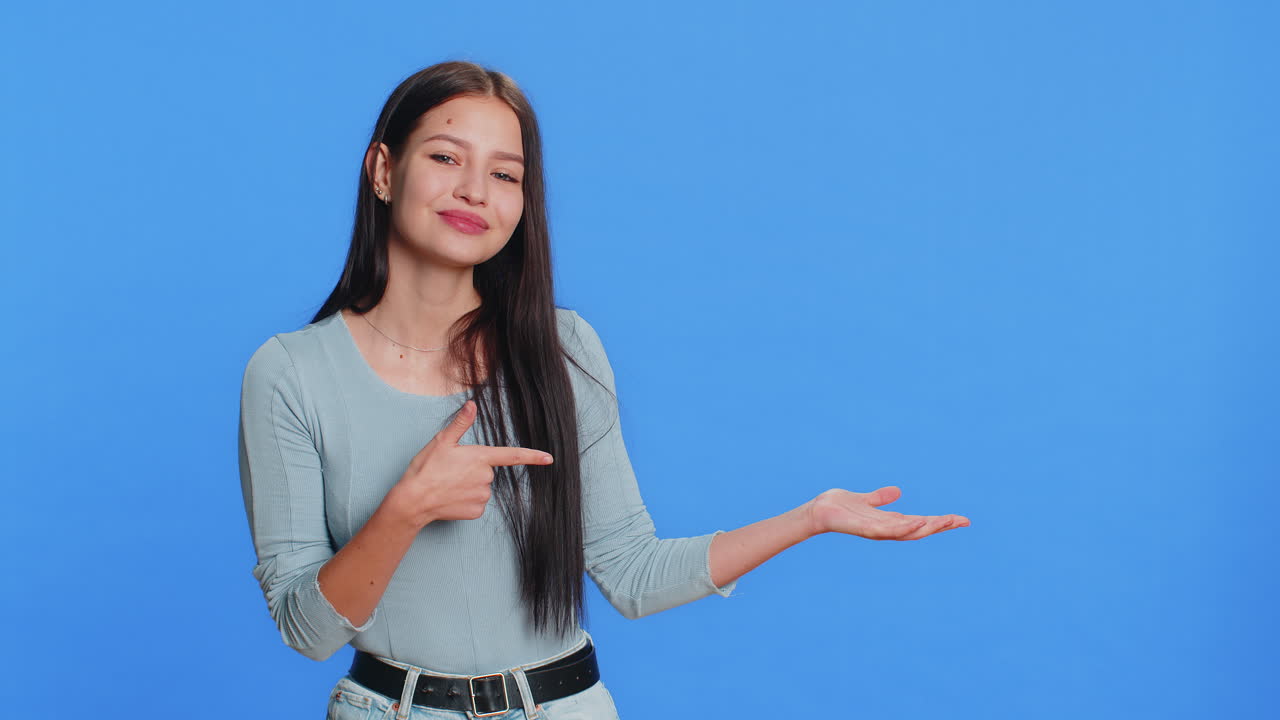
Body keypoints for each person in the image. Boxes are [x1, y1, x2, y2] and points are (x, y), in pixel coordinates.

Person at [237, 60, 970, 720]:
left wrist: (811, 518)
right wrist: (406, 508)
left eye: (504, 174)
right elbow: (308, 631)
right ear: (383, 170)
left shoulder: (562, 349)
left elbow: (632, 574)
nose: (473, 190)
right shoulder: (291, 373)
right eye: (444, 157)